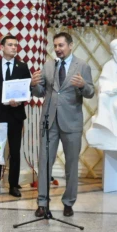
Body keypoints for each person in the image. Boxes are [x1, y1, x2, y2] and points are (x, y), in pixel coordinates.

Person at [31, 32, 94, 218]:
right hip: (49, 121)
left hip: (72, 122)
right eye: (55, 46)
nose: (57, 49)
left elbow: (90, 92)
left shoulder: (82, 66)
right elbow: (41, 92)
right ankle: (42, 203)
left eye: (61, 45)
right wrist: (34, 85)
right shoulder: (49, 65)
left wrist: (83, 85)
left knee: (71, 164)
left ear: (70, 45)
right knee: (44, 163)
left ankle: (68, 203)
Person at [0, 34, 31, 197]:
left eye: (16, 45)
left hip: (16, 115)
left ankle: (13, 185)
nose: (14, 48)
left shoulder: (23, 67)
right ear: (2, 47)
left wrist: (20, 101)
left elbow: (27, 90)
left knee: (15, 151)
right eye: (10, 45)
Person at [87, 39, 117, 151]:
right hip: (110, 94)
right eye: (115, 51)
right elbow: (102, 81)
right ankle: (105, 125)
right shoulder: (108, 66)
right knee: (103, 97)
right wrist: (109, 89)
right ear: (112, 52)